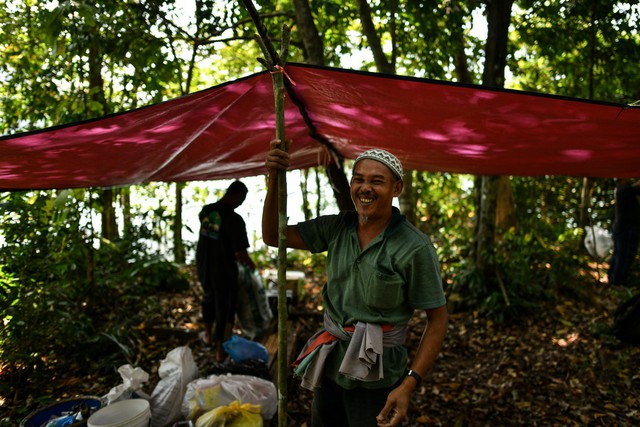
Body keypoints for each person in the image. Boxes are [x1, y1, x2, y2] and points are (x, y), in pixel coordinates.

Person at [263, 141, 448, 427]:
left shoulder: (415, 247)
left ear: (396, 189)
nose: (365, 188)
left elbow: (437, 321)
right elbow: (274, 236)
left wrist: (409, 384)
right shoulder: (338, 227)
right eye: (358, 179)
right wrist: (275, 177)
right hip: (331, 368)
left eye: (377, 181)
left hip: (379, 379)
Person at [196, 180, 256, 362]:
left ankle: (207, 335)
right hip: (223, 271)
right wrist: (251, 265)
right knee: (225, 309)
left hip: (204, 265)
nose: (241, 203)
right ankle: (220, 351)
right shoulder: (235, 220)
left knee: (208, 299)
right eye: (242, 199)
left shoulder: (206, 211)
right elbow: (239, 253)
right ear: (237, 195)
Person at [608, 178, 640, 286]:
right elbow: (636, 188)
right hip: (626, 229)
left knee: (619, 254)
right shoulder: (623, 190)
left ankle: (613, 277)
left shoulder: (621, 189)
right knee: (624, 255)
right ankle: (618, 280)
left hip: (622, 228)